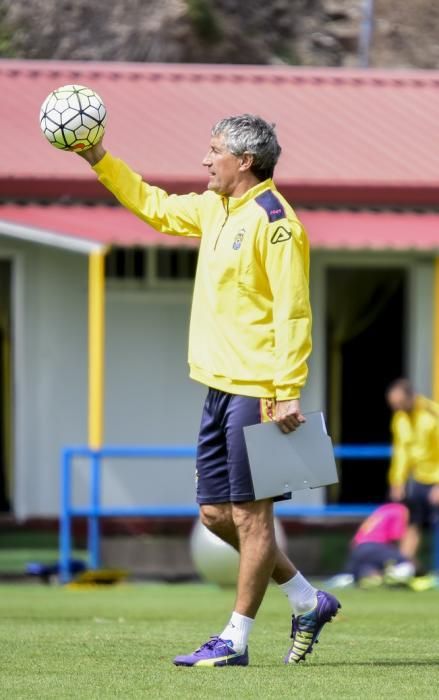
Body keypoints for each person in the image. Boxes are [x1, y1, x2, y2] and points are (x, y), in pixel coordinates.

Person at [77, 114, 340, 667]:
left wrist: (287, 389)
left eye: (214, 150)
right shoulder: (214, 207)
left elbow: (294, 313)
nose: (204, 160)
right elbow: (153, 205)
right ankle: (305, 598)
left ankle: (235, 641)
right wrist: (99, 158)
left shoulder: (277, 223)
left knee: (251, 518)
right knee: (215, 516)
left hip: (258, 390)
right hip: (217, 388)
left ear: (244, 161)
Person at [386, 378, 439, 563]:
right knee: (411, 523)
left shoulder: (432, 414)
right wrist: (397, 481)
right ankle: (404, 567)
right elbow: (401, 452)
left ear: (412, 397)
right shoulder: (400, 418)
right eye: (394, 405)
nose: (397, 408)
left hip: (436, 478)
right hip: (418, 479)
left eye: (400, 403)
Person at [343, 502, 415, 586]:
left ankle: (371, 577)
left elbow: (353, 542)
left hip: (359, 548)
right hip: (376, 546)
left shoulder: (382, 510)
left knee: (364, 570)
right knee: (406, 565)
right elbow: (395, 536)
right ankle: (393, 581)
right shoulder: (400, 510)